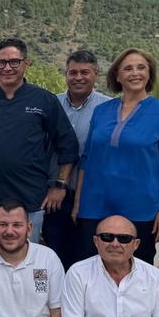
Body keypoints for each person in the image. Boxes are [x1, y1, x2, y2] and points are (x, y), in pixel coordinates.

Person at [0, 38, 79, 254]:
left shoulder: (44, 100)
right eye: (1, 63)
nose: (7, 68)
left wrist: (59, 185)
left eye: (14, 62)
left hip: (29, 198)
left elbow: (68, 145)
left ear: (26, 64)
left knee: (27, 258)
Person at [75, 48, 159, 265]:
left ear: (149, 73)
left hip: (141, 210)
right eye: (128, 68)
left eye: (141, 67)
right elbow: (87, 158)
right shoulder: (102, 111)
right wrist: (78, 203)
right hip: (95, 207)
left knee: (137, 274)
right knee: (90, 271)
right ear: (117, 75)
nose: (136, 73)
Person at [43, 51, 111, 269]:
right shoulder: (51, 104)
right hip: (53, 196)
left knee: (88, 258)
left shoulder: (109, 108)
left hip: (92, 197)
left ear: (96, 74)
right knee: (55, 256)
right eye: (73, 72)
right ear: (66, 74)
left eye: (85, 72)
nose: (78, 77)